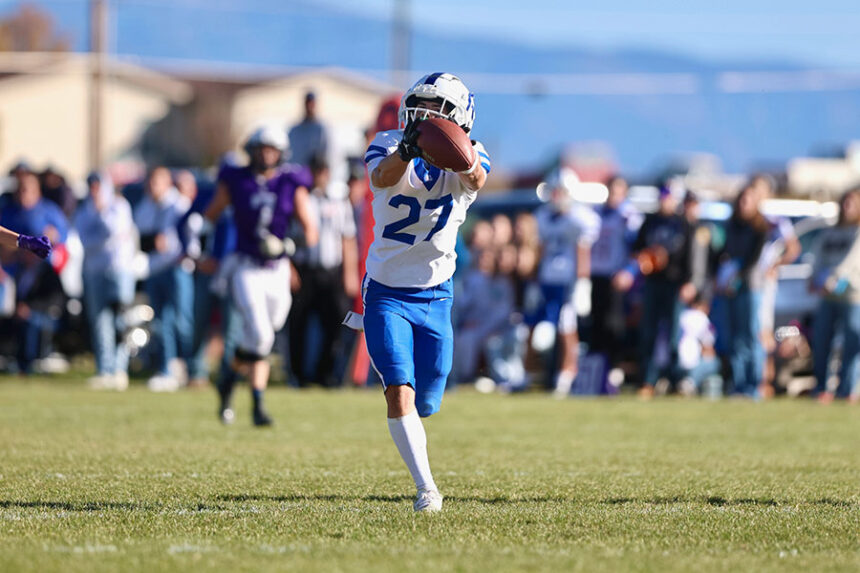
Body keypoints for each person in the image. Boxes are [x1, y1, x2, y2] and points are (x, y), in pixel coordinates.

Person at [346, 72, 489, 512]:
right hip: (387, 290)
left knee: (427, 400)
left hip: (436, 293)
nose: (426, 115)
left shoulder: (473, 152)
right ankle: (427, 487)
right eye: (421, 106)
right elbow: (383, 179)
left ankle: (412, 415)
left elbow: (478, 179)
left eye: (437, 109)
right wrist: (410, 147)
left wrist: (455, 153)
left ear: (459, 119)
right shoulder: (388, 143)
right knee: (398, 390)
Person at [203, 124, 317, 426]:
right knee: (261, 334)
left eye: (271, 149)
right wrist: (203, 251)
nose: (266, 155)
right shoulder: (236, 180)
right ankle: (258, 406)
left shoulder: (291, 182)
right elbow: (208, 217)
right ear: (251, 151)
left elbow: (311, 232)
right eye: (260, 149)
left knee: (264, 334)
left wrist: (287, 245)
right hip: (245, 266)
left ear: (281, 153)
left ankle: (228, 377)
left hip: (277, 267)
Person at [614, 184, 695, 398]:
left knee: (673, 336)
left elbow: (690, 257)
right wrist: (647, 258)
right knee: (648, 333)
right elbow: (637, 251)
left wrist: (688, 282)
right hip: (652, 283)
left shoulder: (682, 223)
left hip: (674, 283)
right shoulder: (650, 221)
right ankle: (648, 380)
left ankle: (676, 380)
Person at [288, 155, 359, 387]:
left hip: (331, 271)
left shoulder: (338, 200)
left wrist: (350, 273)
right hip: (305, 268)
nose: (320, 176)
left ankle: (325, 373)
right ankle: (299, 376)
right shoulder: (301, 198)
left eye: (323, 171)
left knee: (337, 321)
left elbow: (347, 238)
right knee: (299, 324)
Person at [532, 167, 600, 395]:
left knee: (566, 326)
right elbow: (539, 250)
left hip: (569, 281)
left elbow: (583, 250)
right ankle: (542, 374)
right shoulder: (543, 217)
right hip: (548, 278)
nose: (557, 196)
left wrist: (583, 282)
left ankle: (567, 374)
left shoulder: (580, 218)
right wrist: (534, 281)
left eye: (561, 191)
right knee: (542, 331)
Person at [74, 172, 137, 390]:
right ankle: (105, 369)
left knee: (121, 319)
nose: (94, 190)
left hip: (119, 271)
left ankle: (120, 369)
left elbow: (114, 232)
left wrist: (100, 214)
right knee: (99, 322)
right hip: (94, 271)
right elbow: (85, 240)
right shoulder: (84, 210)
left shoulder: (119, 206)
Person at [133, 166, 193, 392]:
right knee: (160, 322)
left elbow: (175, 241)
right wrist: (154, 242)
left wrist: (160, 242)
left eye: (157, 181)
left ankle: (190, 366)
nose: (152, 186)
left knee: (182, 320)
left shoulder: (178, 204)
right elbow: (144, 238)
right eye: (150, 181)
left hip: (177, 268)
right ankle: (166, 368)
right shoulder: (146, 206)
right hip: (154, 269)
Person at [713, 185, 770, 397]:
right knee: (735, 337)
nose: (744, 204)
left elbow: (753, 260)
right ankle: (738, 384)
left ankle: (754, 384)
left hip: (751, 287)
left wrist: (737, 275)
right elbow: (722, 253)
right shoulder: (731, 227)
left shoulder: (760, 228)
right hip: (731, 289)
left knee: (751, 335)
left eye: (748, 200)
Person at [809, 188, 860, 403]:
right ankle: (822, 387)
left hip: (852, 297)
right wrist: (814, 278)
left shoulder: (857, 232)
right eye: (845, 202)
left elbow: (850, 261)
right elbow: (818, 257)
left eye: (852, 203)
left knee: (852, 343)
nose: (847, 206)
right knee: (821, 341)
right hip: (827, 297)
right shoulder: (829, 233)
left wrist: (833, 279)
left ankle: (847, 389)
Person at [589, 175, 641, 375]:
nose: (613, 196)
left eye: (618, 191)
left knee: (615, 325)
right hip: (597, 274)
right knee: (596, 323)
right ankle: (597, 371)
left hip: (616, 276)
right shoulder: (597, 213)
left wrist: (629, 271)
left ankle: (614, 368)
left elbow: (637, 248)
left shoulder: (628, 216)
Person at [288, 91, 329, 167]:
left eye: (312, 104)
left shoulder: (323, 129)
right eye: (308, 103)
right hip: (298, 173)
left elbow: (327, 154)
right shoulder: (295, 130)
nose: (309, 107)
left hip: (314, 174)